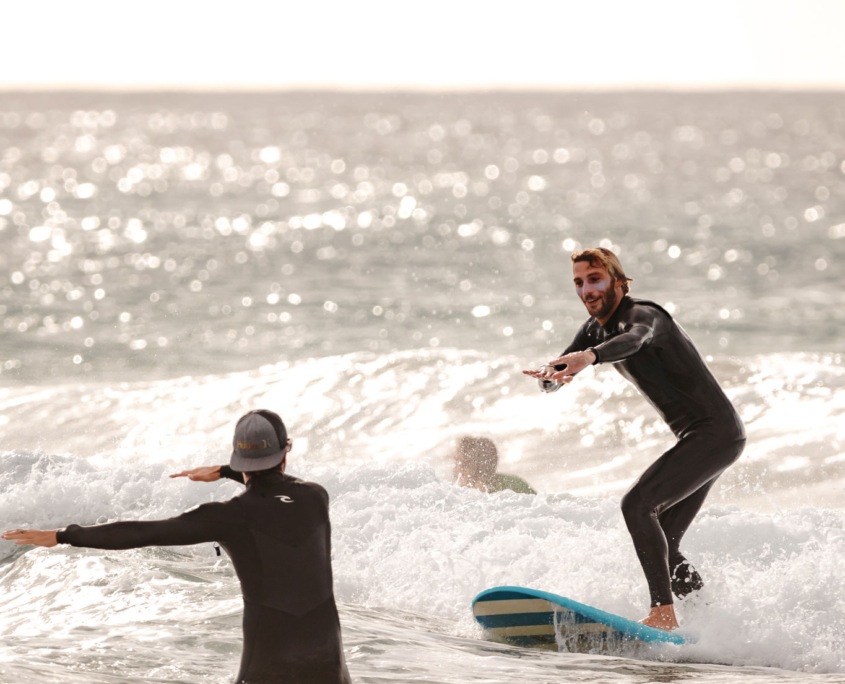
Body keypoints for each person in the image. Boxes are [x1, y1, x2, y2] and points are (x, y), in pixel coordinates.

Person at [2, 409, 351, 684]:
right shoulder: (316, 497)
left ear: (240, 460)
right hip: (330, 671)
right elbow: (279, 489)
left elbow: (144, 533)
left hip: (266, 672)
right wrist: (226, 471)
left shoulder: (228, 516)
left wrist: (64, 535)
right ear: (286, 451)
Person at [523, 248, 745, 631]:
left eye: (595, 279)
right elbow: (562, 368)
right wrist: (552, 375)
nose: (587, 290)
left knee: (637, 506)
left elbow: (635, 340)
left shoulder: (645, 315)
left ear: (619, 282)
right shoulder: (594, 330)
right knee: (665, 541)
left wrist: (589, 357)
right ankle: (710, 626)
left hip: (715, 433)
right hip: (709, 437)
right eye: (579, 282)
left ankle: (663, 614)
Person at [453, 436, 536, 495]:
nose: (458, 469)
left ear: (481, 468)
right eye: (457, 462)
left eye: (464, 465)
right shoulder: (515, 482)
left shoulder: (515, 485)